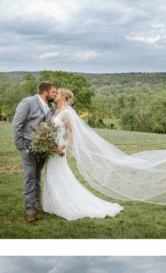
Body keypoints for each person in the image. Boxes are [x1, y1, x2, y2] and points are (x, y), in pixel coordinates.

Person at [41, 88, 123, 220]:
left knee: (58, 172)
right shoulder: (57, 111)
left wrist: (63, 145)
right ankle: (54, 204)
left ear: (63, 97)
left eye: (58, 94)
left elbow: (72, 132)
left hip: (59, 147)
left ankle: (65, 204)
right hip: (53, 146)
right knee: (51, 172)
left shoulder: (66, 113)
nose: (55, 95)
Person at [12, 82, 57, 222]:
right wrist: (20, 146)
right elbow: (17, 124)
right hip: (27, 146)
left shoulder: (52, 106)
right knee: (30, 176)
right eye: (53, 92)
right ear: (45, 92)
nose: (55, 95)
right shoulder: (28, 102)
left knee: (37, 176)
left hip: (43, 148)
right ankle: (30, 210)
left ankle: (37, 203)